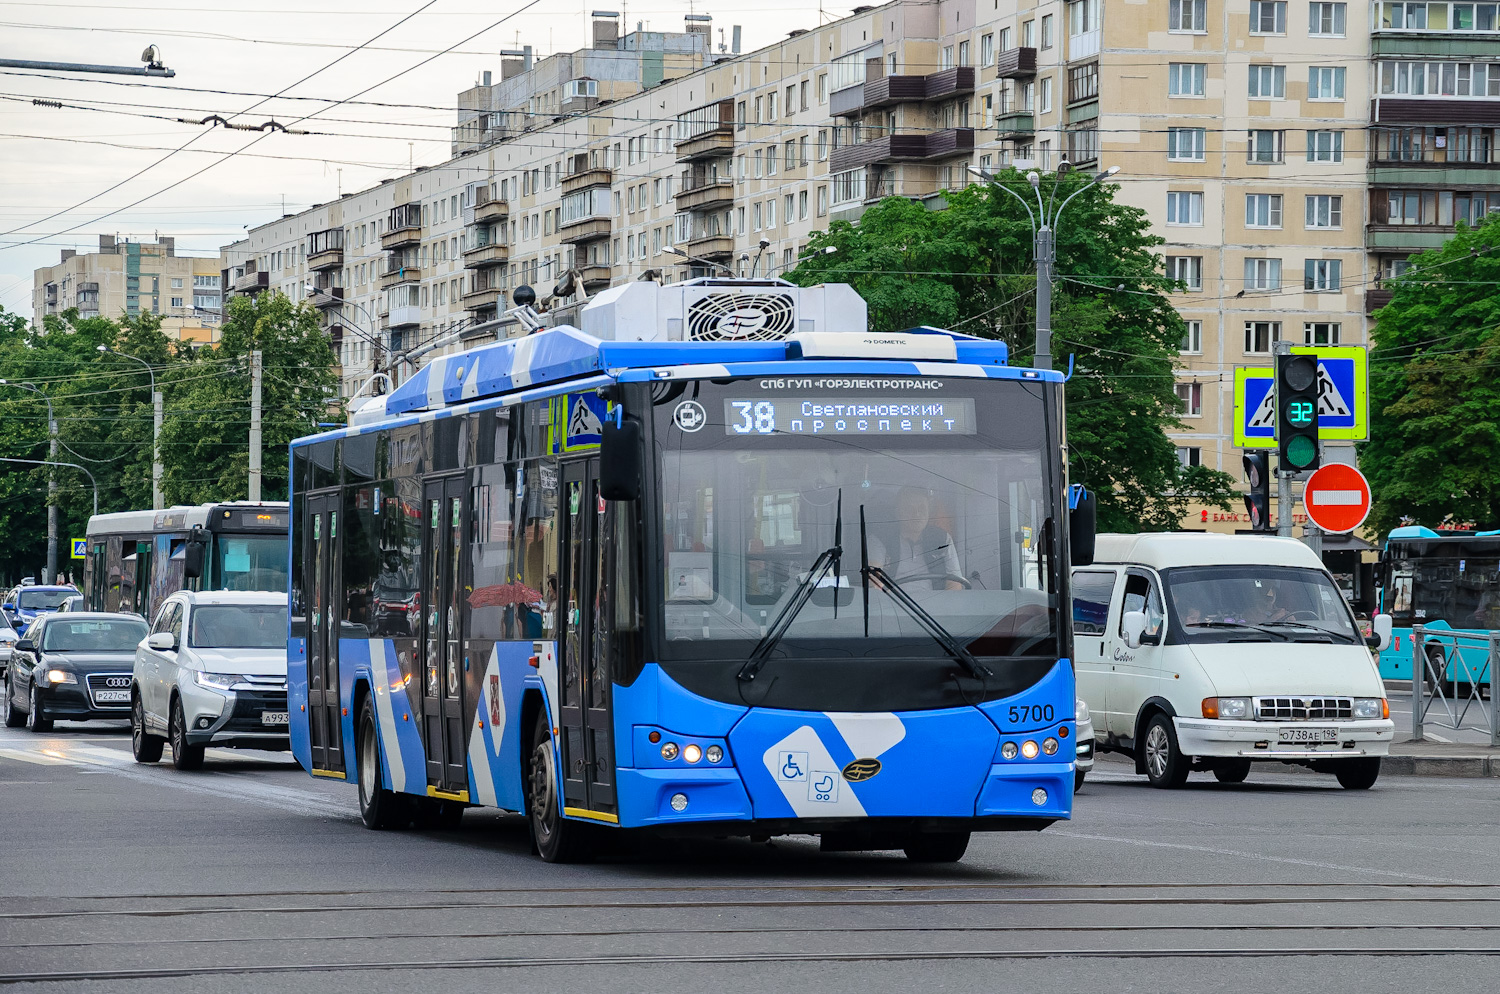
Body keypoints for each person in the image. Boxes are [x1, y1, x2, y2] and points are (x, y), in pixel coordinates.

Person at [868, 487, 962, 591]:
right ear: (898, 513)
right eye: (909, 509)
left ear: (929, 512)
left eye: (922, 508)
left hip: (934, 601)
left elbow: (955, 583)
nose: (917, 514)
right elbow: (873, 581)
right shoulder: (880, 538)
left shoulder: (942, 539)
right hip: (892, 599)